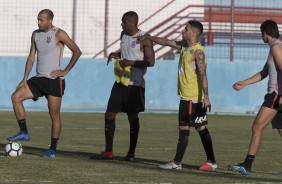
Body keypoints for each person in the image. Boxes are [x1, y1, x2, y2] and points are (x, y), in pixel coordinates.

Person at [137, 20, 217, 170]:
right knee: (201, 128)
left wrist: (206, 96)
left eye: (185, 29)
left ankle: (176, 163)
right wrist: (150, 37)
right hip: (191, 97)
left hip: (191, 98)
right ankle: (211, 162)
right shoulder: (185, 46)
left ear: (193, 33)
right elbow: (166, 42)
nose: (183, 31)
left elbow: (203, 75)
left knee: (184, 128)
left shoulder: (197, 52)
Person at [7, 9, 82, 157]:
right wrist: (24, 79)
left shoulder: (59, 33)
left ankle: (52, 149)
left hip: (54, 81)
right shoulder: (35, 34)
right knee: (15, 97)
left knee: (54, 116)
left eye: (41, 20)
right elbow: (31, 57)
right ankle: (24, 132)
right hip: (38, 79)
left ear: (50, 20)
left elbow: (77, 51)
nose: (38, 22)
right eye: (38, 19)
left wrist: (65, 71)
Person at [91, 11, 155, 161]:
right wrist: (116, 54)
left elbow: (150, 62)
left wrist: (131, 63)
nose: (121, 24)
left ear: (131, 23)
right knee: (109, 114)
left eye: (123, 22)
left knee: (132, 117)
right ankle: (108, 152)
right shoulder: (123, 34)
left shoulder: (144, 39)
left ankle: (131, 154)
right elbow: (126, 53)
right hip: (121, 81)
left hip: (135, 85)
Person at [228, 19, 282, 175]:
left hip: (275, 95)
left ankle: (247, 165)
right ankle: (246, 165)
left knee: (257, 127)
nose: (261, 37)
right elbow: (264, 73)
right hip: (277, 95)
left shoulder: (276, 48)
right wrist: (244, 83)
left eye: (261, 34)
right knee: (280, 130)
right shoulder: (275, 48)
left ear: (265, 33)